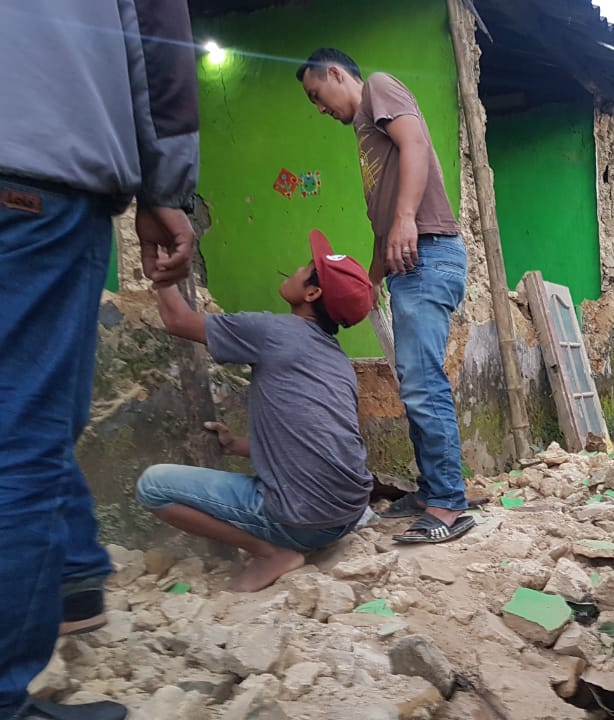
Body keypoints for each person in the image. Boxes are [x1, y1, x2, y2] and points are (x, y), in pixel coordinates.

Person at [0, 2, 199, 718]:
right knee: (24, 430)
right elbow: (159, 43)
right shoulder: (284, 338)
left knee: (30, 421)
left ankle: (77, 573)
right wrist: (164, 191)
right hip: (36, 165)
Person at [296, 48, 474, 544]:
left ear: (335, 74)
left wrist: (404, 220)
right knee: (414, 380)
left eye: (317, 95)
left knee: (422, 382)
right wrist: (371, 281)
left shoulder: (377, 85)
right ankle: (432, 489)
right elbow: (384, 227)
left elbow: (416, 143)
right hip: (407, 264)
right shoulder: (366, 138)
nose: (320, 108)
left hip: (429, 254)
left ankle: (449, 507)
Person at [136, 230, 376, 592]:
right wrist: (237, 445)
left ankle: (270, 552)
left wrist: (161, 271)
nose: (294, 270)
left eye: (305, 268)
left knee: (152, 487)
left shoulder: (273, 331)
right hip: (346, 515)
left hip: (302, 522)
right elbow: (310, 438)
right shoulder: (338, 360)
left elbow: (178, 321)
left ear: (312, 294)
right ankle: (283, 542)